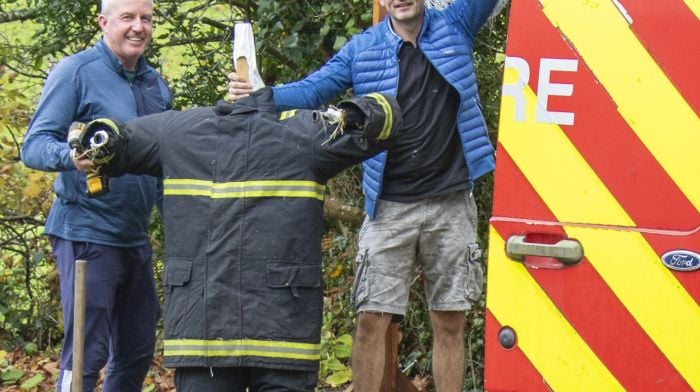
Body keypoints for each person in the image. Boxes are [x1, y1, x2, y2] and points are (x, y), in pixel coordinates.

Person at [228, 0, 507, 390]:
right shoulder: (363, 49)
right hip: (389, 206)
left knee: (449, 319)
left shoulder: (456, 23)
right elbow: (313, 89)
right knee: (371, 320)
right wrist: (259, 96)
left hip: (451, 201)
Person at [67, 87, 402, 391]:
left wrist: (96, 138)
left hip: (207, 331)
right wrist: (354, 114)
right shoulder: (304, 133)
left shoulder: (177, 131)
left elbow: (114, 142)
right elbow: (385, 120)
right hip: (280, 328)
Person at [20, 0, 171, 390]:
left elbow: (160, 165)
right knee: (87, 353)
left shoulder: (156, 84)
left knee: (137, 352)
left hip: (134, 239)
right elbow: (33, 146)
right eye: (127, 18)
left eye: (146, 19)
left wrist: (177, 224)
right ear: (104, 22)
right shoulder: (77, 72)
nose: (138, 27)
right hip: (86, 235)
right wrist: (72, 157)